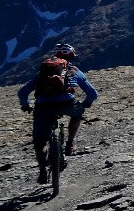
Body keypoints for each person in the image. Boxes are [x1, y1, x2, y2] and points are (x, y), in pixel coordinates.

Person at [17, 43, 98, 184]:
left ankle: (42, 171)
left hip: (42, 107)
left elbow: (22, 92)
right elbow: (92, 93)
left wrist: (25, 105)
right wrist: (87, 103)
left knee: (40, 141)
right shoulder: (74, 71)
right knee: (77, 113)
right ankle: (70, 143)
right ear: (72, 56)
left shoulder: (41, 73)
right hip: (67, 104)